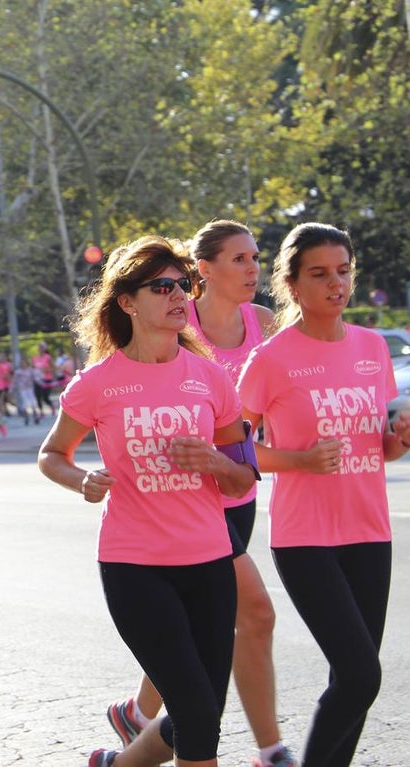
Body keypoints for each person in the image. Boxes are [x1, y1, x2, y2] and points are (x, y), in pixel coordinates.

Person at [37, 236, 258, 767]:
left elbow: (244, 477)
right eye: (163, 286)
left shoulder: (210, 379)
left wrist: (217, 463)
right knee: (198, 712)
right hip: (135, 567)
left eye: (186, 284)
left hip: (209, 562)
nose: (180, 294)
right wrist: (81, 479)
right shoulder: (97, 385)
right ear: (128, 302)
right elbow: (52, 454)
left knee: (199, 713)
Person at [105, 220, 295, 767]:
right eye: (238, 258)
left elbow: (265, 418)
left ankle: (138, 719)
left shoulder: (262, 323)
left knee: (196, 627)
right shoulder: (174, 319)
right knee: (256, 612)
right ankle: (271, 748)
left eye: (255, 257)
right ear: (203, 271)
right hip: (190, 502)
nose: (253, 267)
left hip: (239, 493)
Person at [237, 223, 410, 767]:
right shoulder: (271, 359)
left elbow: (377, 448)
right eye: (319, 273)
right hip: (306, 538)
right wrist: (299, 460)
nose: (336, 283)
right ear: (291, 283)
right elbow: (232, 452)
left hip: (370, 531)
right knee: (362, 675)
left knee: (353, 680)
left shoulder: (371, 347)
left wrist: (398, 439)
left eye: (343, 270)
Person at [32, 341, 57, 418]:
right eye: (39, 347)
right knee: (37, 396)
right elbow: (33, 368)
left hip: (47, 379)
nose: (40, 349)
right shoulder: (35, 358)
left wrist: (46, 370)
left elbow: (54, 368)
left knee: (45, 397)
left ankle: (52, 406)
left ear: (45, 348)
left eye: (42, 347)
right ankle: (41, 412)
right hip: (37, 379)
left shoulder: (47, 357)